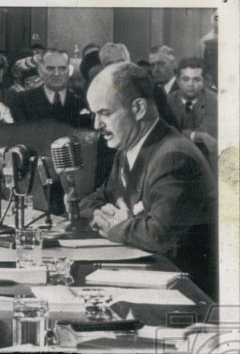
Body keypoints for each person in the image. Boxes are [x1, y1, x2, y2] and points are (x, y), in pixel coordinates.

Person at [80, 62, 216, 299]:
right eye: (94, 114)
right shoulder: (127, 150)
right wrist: (117, 218)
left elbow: (157, 235)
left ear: (139, 108)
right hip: (154, 283)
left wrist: (114, 225)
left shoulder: (175, 157)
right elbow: (92, 201)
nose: (96, 125)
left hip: (191, 297)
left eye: (104, 113)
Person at [11, 49, 91, 128]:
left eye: (62, 68)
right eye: (50, 68)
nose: (56, 74)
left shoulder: (82, 101)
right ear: (40, 71)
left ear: (69, 71)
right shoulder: (22, 101)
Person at [167, 58, 217, 162]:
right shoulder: (169, 101)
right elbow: (165, 132)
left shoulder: (213, 100)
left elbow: (207, 132)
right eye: (186, 79)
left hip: (204, 159)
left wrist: (179, 134)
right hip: (173, 157)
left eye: (196, 79)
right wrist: (196, 135)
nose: (191, 84)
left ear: (204, 81)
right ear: (178, 81)